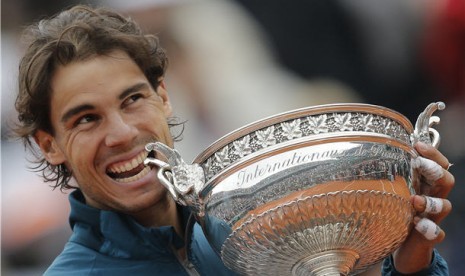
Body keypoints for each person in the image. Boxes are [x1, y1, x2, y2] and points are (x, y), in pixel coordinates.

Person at [13, 4, 454, 275]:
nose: (122, 133)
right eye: (86, 119)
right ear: (49, 144)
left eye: (132, 100)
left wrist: (407, 265)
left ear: (163, 96)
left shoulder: (246, 236)